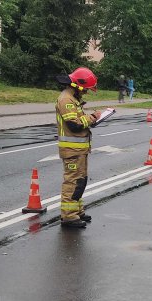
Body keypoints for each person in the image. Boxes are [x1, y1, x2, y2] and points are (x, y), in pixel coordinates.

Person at [54, 67, 102, 228]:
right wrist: (93, 117)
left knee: (80, 181)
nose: (87, 92)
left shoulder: (73, 98)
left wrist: (91, 119)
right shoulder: (66, 100)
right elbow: (74, 125)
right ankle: (68, 216)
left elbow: (79, 121)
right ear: (78, 85)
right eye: (87, 89)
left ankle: (77, 211)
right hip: (72, 151)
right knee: (72, 182)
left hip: (79, 150)